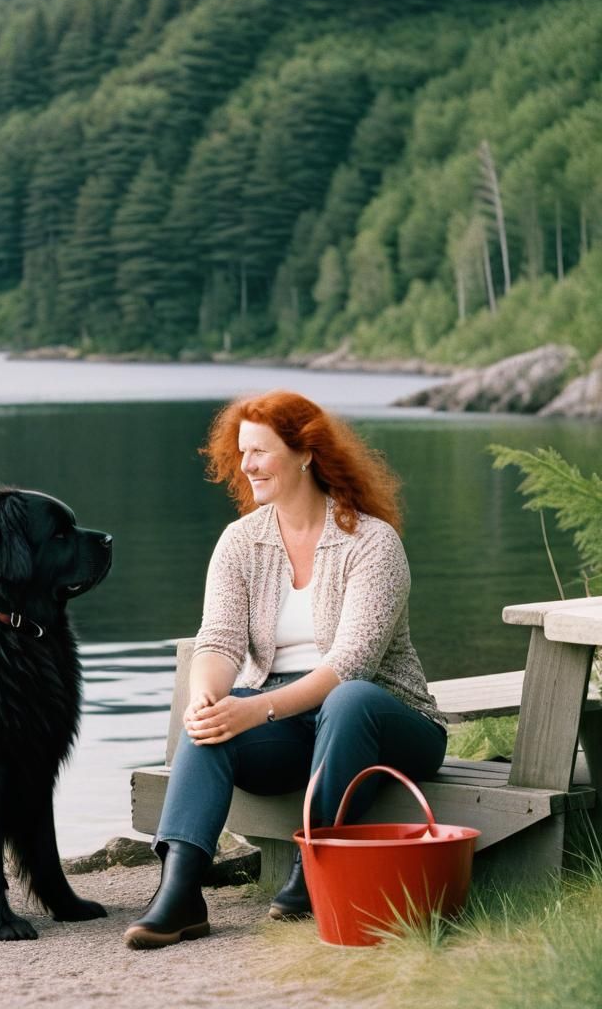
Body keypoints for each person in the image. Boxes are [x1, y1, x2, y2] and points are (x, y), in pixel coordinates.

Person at [123, 390, 447, 949]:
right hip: (292, 727)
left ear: (305, 454)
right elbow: (219, 640)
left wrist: (257, 707)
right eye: (241, 451)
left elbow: (351, 666)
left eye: (260, 451)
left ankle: (315, 857)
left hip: (388, 722)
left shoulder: (372, 542)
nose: (245, 465)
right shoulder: (241, 542)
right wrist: (208, 698)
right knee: (209, 725)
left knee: (346, 701)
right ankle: (179, 892)